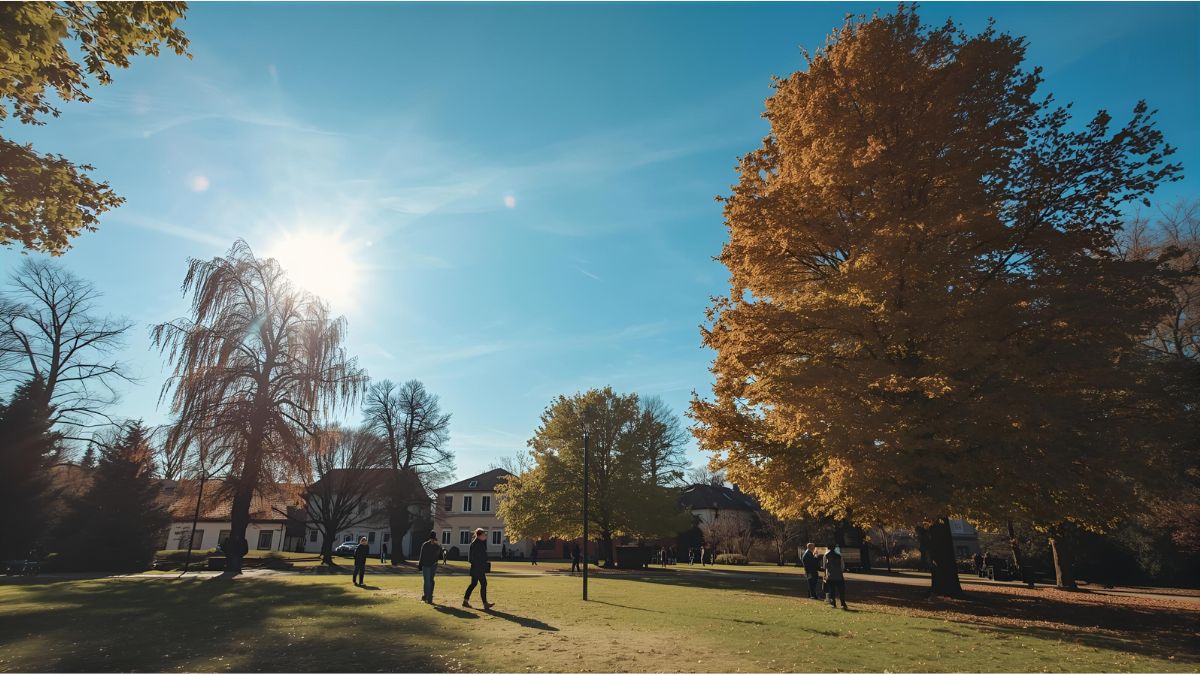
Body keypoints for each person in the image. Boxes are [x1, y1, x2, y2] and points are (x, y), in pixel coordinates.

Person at [463, 527, 494, 609]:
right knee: (483, 583)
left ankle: (465, 601)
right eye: (484, 535)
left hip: (478, 568)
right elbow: (471, 558)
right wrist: (480, 565)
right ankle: (485, 604)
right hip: (477, 569)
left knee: (474, 584)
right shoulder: (475, 544)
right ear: (480, 535)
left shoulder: (480, 543)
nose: (485, 536)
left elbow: (482, 556)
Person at [417, 530, 442, 604]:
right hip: (426, 565)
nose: (432, 540)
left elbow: (439, 556)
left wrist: (439, 547)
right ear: (430, 538)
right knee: (427, 581)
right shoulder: (425, 545)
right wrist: (420, 565)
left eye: (433, 539)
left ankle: (428, 596)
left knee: (430, 581)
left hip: (433, 565)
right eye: (432, 538)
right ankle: (427, 596)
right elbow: (422, 555)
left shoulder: (436, 546)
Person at [823, 544, 848, 610]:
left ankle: (833, 603)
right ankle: (843, 603)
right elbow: (842, 566)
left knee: (832, 590)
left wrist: (826, 575)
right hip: (839, 575)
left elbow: (824, 566)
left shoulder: (826, 555)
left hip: (830, 575)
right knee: (841, 590)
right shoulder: (839, 555)